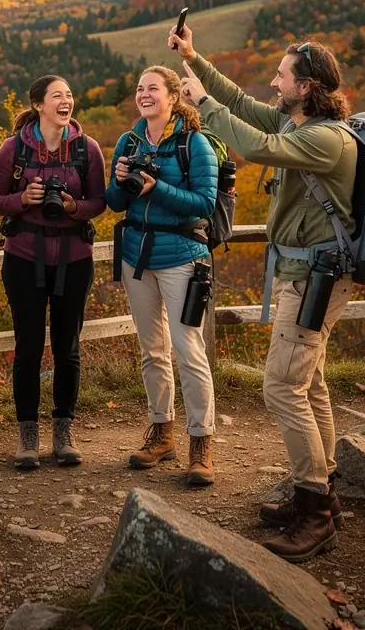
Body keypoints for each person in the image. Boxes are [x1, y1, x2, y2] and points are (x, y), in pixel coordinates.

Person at [171, 22, 357, 563]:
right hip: (306, 274)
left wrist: (202, 104)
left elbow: (255, 144)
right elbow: (241, 105)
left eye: (282, 75)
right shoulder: (298, 119)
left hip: (316, 278)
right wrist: (195, 61)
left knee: (281, 387)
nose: (274, 82)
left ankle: (316, 512)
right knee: (310, 382)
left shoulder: (323, 137)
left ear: (307, 87)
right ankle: (324, 492)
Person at [0, 76, 107, 469]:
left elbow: (100, 202)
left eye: (70, 94)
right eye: (58, 95)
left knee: (68, 348)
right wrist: (22, 199)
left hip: (74, 259)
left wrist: (73, 208)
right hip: (23, 257)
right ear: (39, 104)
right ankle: (27, 435)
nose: (66, 100)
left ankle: (63, 432)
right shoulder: (13, 149)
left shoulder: (87, 150)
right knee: (29, 348)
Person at [105, 66, 219, 487]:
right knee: (152, 350)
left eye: (152, 88)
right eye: (139, 88)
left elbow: (205, 204)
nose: (143, 94)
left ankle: (201, 441)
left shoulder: (195, 143)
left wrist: (157, 188)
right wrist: (120, 183)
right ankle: (161, 431)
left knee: (188, 350)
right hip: (137, 255)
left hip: (182, 257)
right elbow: (114, 203)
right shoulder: (128, 141)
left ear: (173, 97)